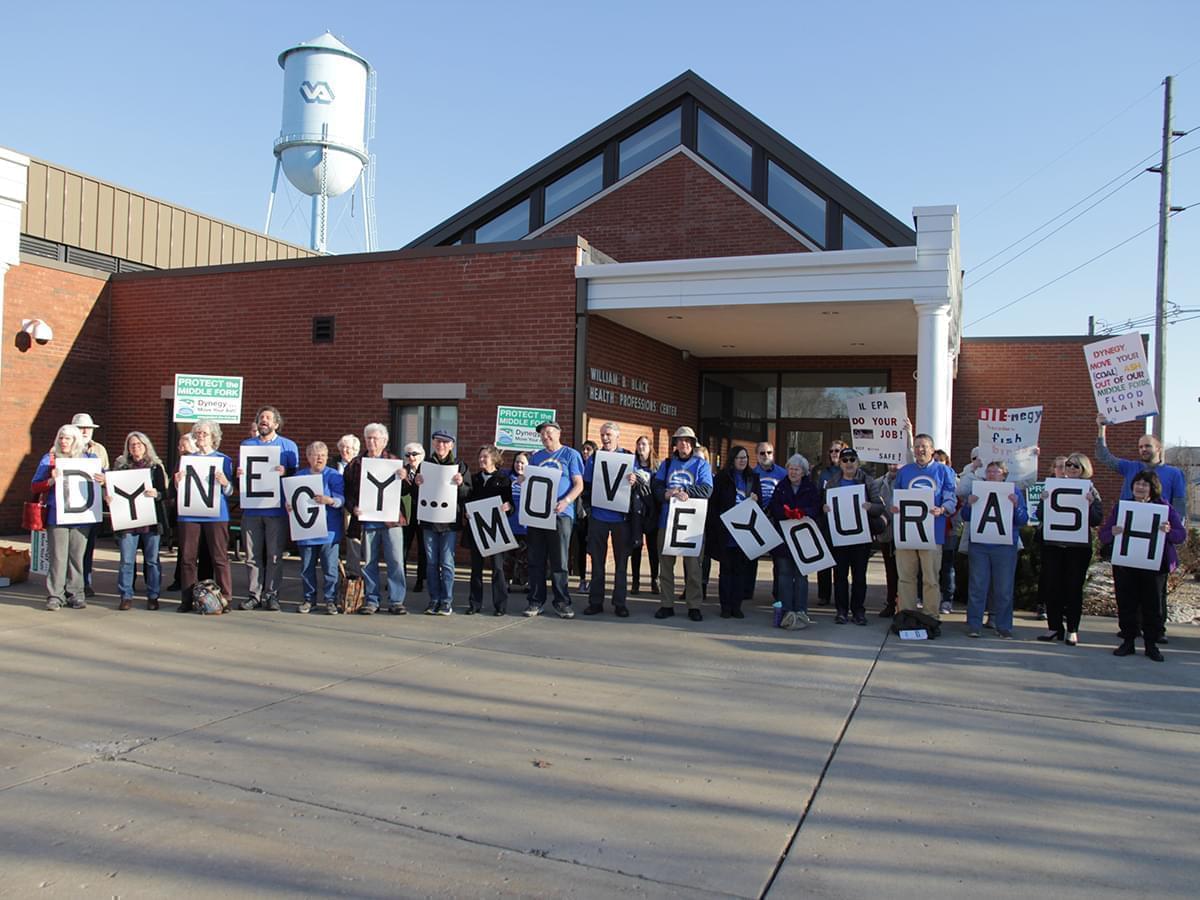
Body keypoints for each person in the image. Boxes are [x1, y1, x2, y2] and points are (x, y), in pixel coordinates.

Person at [1099, 471, 1186, 662]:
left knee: (1152, 606)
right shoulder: (1122, 507)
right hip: (1126, 564)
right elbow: (1103, 534)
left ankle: (1151, 645)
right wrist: (1112, 532)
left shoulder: (1164, 508)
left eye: (1145, 484)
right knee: (1127, 604)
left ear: (1152, 488)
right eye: (1137, 483)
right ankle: (1128, 641)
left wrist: (1169, 531)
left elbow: (1181, 535)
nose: (1140, 487)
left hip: (1154, 565)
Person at [31, 424, 103, 610]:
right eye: (61, 437)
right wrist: (51, 480)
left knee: (77, 557)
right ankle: (55, 595)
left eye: (68, 438)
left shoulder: (89, 459)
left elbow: (102, 481)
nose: (64, 441)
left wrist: (103, 479)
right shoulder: (50, 459)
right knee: (58, 558)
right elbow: (35, 486)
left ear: (75, 440)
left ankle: (76, 594)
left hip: (82, 516)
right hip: (58, 515)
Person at [1036, 453, 1103, 646]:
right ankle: (1054, 627)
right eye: (1068, 465)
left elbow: (1097, 519)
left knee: (1073, 589)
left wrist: (1090, 504)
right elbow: (1040, 515)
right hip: (1053, 545)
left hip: (1078, 548)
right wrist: (1043, 501)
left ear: (1084, 469)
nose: (1071, 469)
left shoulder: (1090, 489)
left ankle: (1072, 629)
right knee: (1052, 587)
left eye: (1076, 466)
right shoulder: (1053, 487)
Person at [238, 406, 299, 612]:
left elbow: (297, 478)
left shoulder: (288, 446)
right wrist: (239, 473)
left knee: (274, 555)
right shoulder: (247, 445)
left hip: (276, 510)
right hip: (252, 509)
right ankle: (254, 594)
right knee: (251, 556)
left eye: (268, 418)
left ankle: (272, 594)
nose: (264, 421)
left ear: (276, 423)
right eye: (261, 418)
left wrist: (287, 471)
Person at [343, 423, 408, 615]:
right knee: (369, 562)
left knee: (395, 561)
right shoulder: (356, 464)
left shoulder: (394, 461)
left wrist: (405, 478)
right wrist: (352, 507)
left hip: (391, 520)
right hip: (367, 521)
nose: (371, 442)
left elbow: (405, 492)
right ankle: (372, 600)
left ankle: (396, 600)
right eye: (368, 438)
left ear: (384, 441)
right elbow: (346, 491)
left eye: (375, 438)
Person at [892, 433, 957, 622]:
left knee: (931, 578)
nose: (920, 450)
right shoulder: (905, 472)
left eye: (924, 446)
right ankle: (906, 614)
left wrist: (943, 509)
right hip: (907, 532)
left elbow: (950, 497)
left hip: (932, 533)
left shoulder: (944, 472)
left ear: (932, 450)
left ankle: (930, 615)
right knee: (905, 578)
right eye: (917, 446)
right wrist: (894, 506)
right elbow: (896, 495)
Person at [523, 421, 584, 618]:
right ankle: (535, 600)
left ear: (558, 433)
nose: (545, 436)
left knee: (560, 560)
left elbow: (579, 484)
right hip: (537, 514)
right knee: (536, 559)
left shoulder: (570, 455)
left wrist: (566, 501)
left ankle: (562, 601)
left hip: (561, 514)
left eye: (549, 432)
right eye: (542, 434)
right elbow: (529, 481)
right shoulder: (536, 457)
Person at [652, 427, 713, 621]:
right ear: (675, 444)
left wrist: (687, 490)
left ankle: (694, 605)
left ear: (693, 444)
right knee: (666, 566)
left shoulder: (700, 464)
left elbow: (707, 489)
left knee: (694, 567)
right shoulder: (668, 463)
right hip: (667, 521)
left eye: (687, 441)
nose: (683, 444)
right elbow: (656, 486)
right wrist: (666, 494)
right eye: (680, 441)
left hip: (692, 523)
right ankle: (667, 604)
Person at [962, 461, 1028, 639]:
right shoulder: (977, 490)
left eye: (996, 472)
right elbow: (965, 517)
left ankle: (1004, 625)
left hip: (1004, 545)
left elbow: (1023, 520)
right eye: (989, 471)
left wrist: (1016, 507)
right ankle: (974, 624)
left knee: (1004, 588)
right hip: (980, 545)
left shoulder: (1013, 492)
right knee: (977, 586)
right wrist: (968, 504)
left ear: (1004, 475)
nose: (992, 475)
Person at [175, 420, 234, 611]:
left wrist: (225, 482)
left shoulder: (223, 459)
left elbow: (231, 491)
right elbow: (180, 490)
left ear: (213, 437)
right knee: (187, 557)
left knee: (219, 557)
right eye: (197, 433)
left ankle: (225, 597)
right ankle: (188, 598)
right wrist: (177, 482)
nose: (200, 437)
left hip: (216, 514)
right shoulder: (187, 459)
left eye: (204, 433)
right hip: (190, 513)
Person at [821, 448, 884, 625]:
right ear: (840, 463)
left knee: (859, 576)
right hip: (840, 537)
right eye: (845, 460)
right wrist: (824, 509)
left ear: (857, 462)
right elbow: (823, 506)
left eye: (852, 460)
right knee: (840, 576)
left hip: (860, 538)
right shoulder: (832, 483)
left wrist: (869, 506)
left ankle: (858, 610)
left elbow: (880, 507)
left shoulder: (868, 481)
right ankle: (841, 610)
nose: (849, 463)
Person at [581, 424, 637, 617]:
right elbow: (586, 485)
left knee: (622, 563)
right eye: (602, 434)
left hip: (621, 518)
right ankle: (595, 601)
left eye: (609, 434)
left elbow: (640, 481)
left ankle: (620, 603)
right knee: (597, 561)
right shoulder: (595, 458)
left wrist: (634, 480)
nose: (605, 438)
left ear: (617, 436)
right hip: (598, 517)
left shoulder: (629, 457)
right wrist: (588, 510)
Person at [110, 431, 168, 611]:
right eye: (132, 445)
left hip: (150, 520)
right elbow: (114, 490)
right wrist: (110, 497)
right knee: (127, 560)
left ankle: (153, 596)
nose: (135, 447)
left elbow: (165, 493)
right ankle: (126, 595)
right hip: (128, 521)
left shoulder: (155, 467)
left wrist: (156, 494)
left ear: (146, 446)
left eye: (139, 444)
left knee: (151, 560)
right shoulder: (121, 468)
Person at [417, 430, 469, 615]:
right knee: (431, 563)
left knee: (447, 563)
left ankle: (446, 601)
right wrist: (417, 482)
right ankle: (434, 600)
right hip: (429, 521)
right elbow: (416, 495)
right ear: (433, 443)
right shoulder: (425, 465)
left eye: (446, 443)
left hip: (449, 523)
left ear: (452, 445)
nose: (441, 445)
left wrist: (461, 484)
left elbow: (467, 494)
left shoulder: (460, 466)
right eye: (438, 442)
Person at [289, 441, 344, 615]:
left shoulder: (334, 476)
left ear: (327, 457)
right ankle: (309, 599)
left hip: (329, 530)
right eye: (315, 454)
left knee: (330, 568)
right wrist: (289, 505)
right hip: (306, 531)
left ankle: (330, 600)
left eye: (322, 455)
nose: (319, 458)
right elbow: (292, 499)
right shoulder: (299, 476)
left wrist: (330, 500)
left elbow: (342, 500)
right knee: (306, 567)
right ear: (308, 457)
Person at [766, 454, 820, 629]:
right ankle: (786, 610)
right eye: (790, 468)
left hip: (803, 538)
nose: (793, 472)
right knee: (784, 575)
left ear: (803, 472)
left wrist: (803, 512)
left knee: (801, 575)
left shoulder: (810, 488)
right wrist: (785, 513)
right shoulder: (781, 487)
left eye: (796, 469)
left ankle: (801, 610)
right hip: (783, 538)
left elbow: (817, 508)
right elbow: (774, 507)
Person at [1094, 415, 1187, 516]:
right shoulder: (1130, 467)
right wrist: (1101, 428)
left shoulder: (1174, 473)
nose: (1143, 449)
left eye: (1148, 446)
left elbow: (1179, 506)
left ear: (1158, 448)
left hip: (1158, 526)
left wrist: (1175, 528)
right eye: (1140, 447)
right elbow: (1103, 456)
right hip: (1128, 523)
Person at [708, 445, 760, 619]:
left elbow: (759, 506)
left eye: (745, 457)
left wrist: (755, 499)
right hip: (726, 531)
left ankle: (737, 606)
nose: (742, 461)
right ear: (732, 459)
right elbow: (714, 504)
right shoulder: (722, 478)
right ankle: (725, 606)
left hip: (744, 531)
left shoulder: (753, 478)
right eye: (739, 458)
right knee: (726, 571)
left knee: (740, 571)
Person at [466, 444, 512, 615]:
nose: (482, 460)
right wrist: (467, 512)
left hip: (496, 530)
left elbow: (510, 504)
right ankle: (475, 604)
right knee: (476, 568)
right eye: (480, 457)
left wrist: (508, 507)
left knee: (498, 568)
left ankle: (500, 605)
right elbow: (467, 500)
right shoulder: (474, 479)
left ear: (494, 459)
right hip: (477, 528)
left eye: (485, 456)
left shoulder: (503, 480)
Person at [71, 413, 108, 599]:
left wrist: (104, 481)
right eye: (81, 428)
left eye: (88, 428)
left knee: (87, 547)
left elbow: (107, 475)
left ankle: (86, 582)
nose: (85, 431)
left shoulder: (100, 450)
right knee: (69, 549)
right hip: (70, 506)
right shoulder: (64, 448)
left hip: (92, 506)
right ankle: (69, 583)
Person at [752, 441, 788, 606]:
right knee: (752, 556)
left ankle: (778, 593)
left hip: (776, 519)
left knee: (778, 559)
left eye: (769, 453)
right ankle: (747, 591)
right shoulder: (751, 474)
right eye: (762, 453)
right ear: (756, 455)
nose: (766, 456)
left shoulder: (783, 473)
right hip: (757, 518)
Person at [814, 440, 845, 607]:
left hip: (844, 523)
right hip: (826, 522)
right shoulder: (823, 473)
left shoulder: (849, 472)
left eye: (838, 451)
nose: (834, 453)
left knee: (840, 562)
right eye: (832, 450)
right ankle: (823, 595)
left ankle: (840, 596)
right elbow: (817, 495)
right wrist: (821, 506)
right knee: (824, 561)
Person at [629, 435, 660, 596]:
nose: (641, 447)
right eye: (639, 444)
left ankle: (655, 580)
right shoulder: (631, 464)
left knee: (653, 548)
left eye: (644, 444)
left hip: (652, 511)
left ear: (650, 447)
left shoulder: (657, 466)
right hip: (636, 511)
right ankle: (635, 582)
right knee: (636, 547)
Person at [873, 464, 901, 618]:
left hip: (905, 532)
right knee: (890, 571)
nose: (893, 466)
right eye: (891, 463)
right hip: (887, 533)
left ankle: (903, 604)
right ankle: (891, 603)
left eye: (897, 462)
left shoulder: (907, 480)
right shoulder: (878, 483)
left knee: (905, 573)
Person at [933, 449, 958, 615]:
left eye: (939, 461)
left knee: (947, 567)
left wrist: (943, 509)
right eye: (934, 460)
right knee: (929, 567)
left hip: (949, 529)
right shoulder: (929, 479)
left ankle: (947, 600)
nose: (937, 463)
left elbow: (956, 504)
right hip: (930, 529)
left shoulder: (954, 481)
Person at [401, 442, 428, 594]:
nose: (411, 457)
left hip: (423, 514)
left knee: (422, 549)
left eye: (414, 454)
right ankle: (401, 578)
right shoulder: (401, 471)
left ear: (421, 456)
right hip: (406, 514)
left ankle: (420, 580)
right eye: (408, 455)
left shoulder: (427, 470)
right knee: (403, 548)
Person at [336, 434, 364, 580]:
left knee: (352, 539)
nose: (345, 450)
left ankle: (353, 571)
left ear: (355, 450)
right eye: (342, 447)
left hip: (350, 506)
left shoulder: (360, 465)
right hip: (332, 507)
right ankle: (336, 568)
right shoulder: (333, 463)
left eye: (348, 448)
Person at [572, 439, 597, 594]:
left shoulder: (597, 467)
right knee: (580, 547)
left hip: (593, 512)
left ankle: (595, 579)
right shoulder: (577, 466)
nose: (585, 452)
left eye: (589, 449)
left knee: (594, 548)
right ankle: (582, 579)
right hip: (579, 512)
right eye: (584, 449)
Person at [505, 452, 531, 591]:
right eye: (517, 462)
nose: (519, 465)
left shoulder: (533, 480)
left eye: (522, 462)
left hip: (526, 526)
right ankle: (507, 582)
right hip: (509, 524)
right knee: (509, 556)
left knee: (525, 557)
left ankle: (524, 582)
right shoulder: (507, 478)